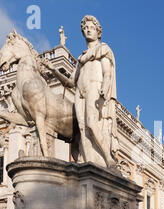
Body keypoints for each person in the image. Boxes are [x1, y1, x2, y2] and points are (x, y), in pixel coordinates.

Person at [43, 15, 117, 168]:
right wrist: (53, 70)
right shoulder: (81, 59)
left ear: (98, 32)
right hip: (80, 92)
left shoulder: (103, 49)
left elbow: (107, 73)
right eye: (85, 28)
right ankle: (88, 163)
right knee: (82, 128)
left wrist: (105, 87)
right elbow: (70, 82)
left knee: (91, 122)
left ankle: (108, 160)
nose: (88, 30)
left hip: (95, 87)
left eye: (91, 28)